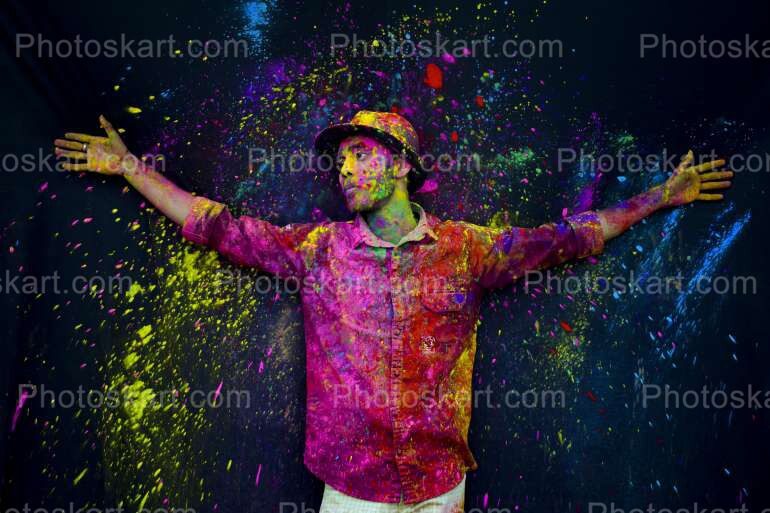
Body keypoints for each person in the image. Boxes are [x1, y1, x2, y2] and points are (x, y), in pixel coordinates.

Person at [54, 111, 733, 513]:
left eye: (360, 154)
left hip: (439, 487)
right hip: (350, 491)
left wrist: (660, 198)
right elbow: (217, 224)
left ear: (403, 165)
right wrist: (131, 170)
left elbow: (573, 237)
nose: (344, 169)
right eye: (339, 160)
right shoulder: (318, 250)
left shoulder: (468, 249)